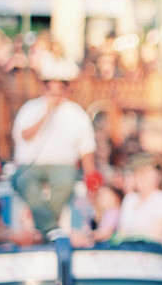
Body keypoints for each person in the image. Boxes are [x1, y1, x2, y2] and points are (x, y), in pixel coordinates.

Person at [11, 59, 99, 235]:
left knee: (66, 183)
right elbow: (24, 136)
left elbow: (86, 149)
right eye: (50, 90)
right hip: (32, 164)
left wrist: (91, 178)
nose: (55, 95)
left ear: (67, 91)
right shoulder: (30, 108)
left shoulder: (77, 114)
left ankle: (42, 228)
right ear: (43, 89)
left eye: (60, 90)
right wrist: (46, 113)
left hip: (62, 165)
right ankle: (51, 229)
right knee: (22, 182)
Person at [116, 154, 162, 256]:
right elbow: (122, 233)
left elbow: (156, 237)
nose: (143, 177)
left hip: (160, 256)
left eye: (147, 173)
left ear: (159, 176)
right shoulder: (130, 199)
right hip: (131, 254)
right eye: (139, 173)